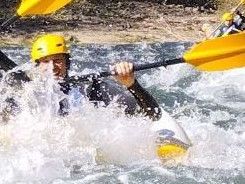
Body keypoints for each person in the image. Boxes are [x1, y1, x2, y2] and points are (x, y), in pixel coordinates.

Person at [28, 34, 161, 120]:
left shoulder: (91, 89)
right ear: (37, 66)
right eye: (45, 61)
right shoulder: (26, 92)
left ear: (67, 63)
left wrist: (131, 84)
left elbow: (153, 115)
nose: (52, 67)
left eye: (57, 60)